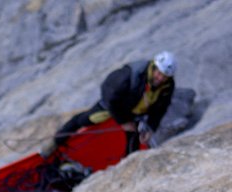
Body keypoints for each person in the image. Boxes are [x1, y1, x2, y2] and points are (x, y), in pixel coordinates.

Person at [41, 51, 177, 158]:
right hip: (114, 107)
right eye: (159, 73)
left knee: (133, 143)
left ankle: (128, 166)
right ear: (153, 66)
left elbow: (161, 108)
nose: (160, 78)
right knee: (83, 120)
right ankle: (55, 142)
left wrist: (151, 128)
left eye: (164, 76)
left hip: (135, 113)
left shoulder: (167, 86)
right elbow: (110, 97)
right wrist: (122, 121)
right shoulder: (130, 74)